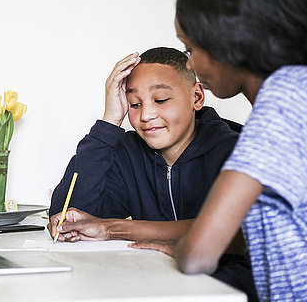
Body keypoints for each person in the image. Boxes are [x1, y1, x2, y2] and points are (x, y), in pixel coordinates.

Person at [128, 0, 307, 301]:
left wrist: (184, 247)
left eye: (190, 49)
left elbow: (199, 255)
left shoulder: (289, 96)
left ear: (229, 40)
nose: (190, 65)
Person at [49, 47, 257, 300]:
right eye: (135, 104)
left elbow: (239, 235)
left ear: (197, 97)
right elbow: (70, 218)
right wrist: (109, 123)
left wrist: (112, 229)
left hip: (225, 287)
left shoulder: (236, 149)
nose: (146, 115)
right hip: (152, 282)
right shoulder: (127, 153)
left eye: (160, 100)